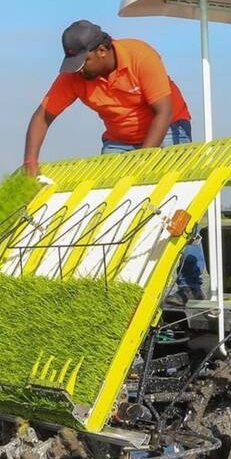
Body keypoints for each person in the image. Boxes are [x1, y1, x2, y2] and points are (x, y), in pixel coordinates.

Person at [22, 19, 203, 303]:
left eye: (84, 62)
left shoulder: (140, 56)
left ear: (104, 50)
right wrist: (30, 162)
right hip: (118, 139)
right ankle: (124, 284)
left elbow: (163, 111)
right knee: (113, 206)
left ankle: (189, 285)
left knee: (176, 204)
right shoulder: (75, 76)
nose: (79, 71)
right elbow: (42, 116)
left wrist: (144, 160)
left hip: (167, 128)